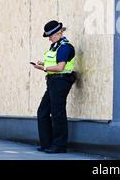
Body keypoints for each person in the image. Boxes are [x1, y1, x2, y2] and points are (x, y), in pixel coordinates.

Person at [32, 20, 76, 153]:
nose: (49, 38)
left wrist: (43, 67)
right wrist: (44, 63)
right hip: (53, 81)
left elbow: (60, 67)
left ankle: (60, 145)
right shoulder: (55, 46)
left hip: (61, 82)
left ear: (59, 33)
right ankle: (47, 144)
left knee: (58, 113)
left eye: (50, 35)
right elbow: (55, 62)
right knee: (43, 112)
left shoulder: (65, 47)